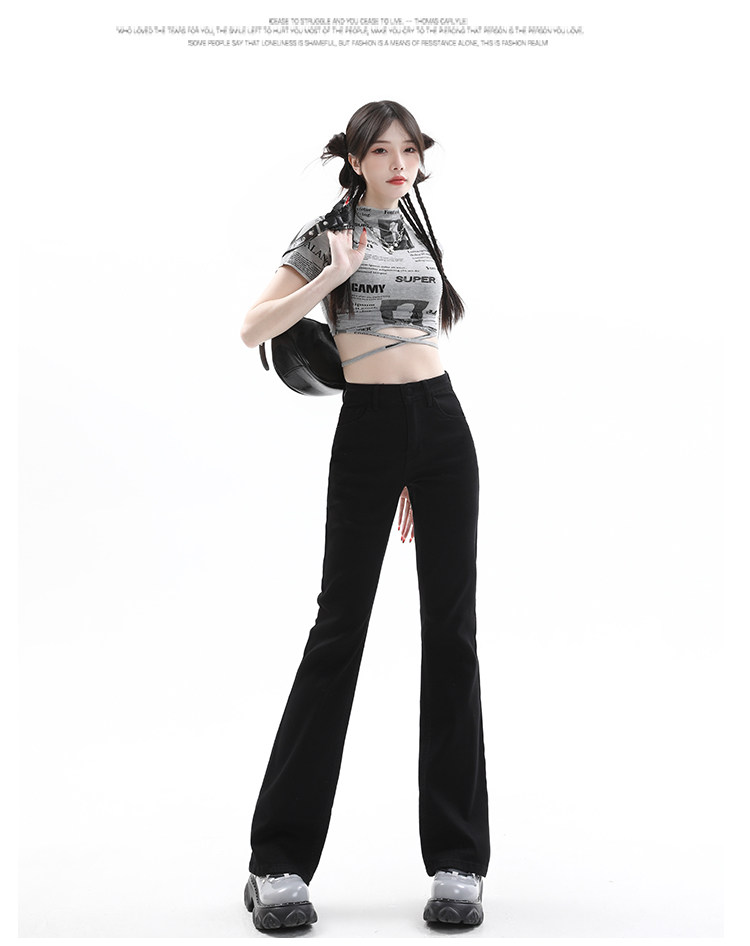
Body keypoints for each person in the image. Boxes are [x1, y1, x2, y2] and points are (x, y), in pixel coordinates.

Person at [239, 100, 490, 932]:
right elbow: (251, 328)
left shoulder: (420, 225)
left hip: (442, 428)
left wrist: (419, 460)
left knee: (451, 634)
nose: (398, 162)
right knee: (339, 629)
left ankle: (458, 861)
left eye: (408, 149)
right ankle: (278, 863)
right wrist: (327, 280)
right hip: (370, 431)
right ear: (353, 159)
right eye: (380, 150)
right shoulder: (325, 235)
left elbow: (423, 342)